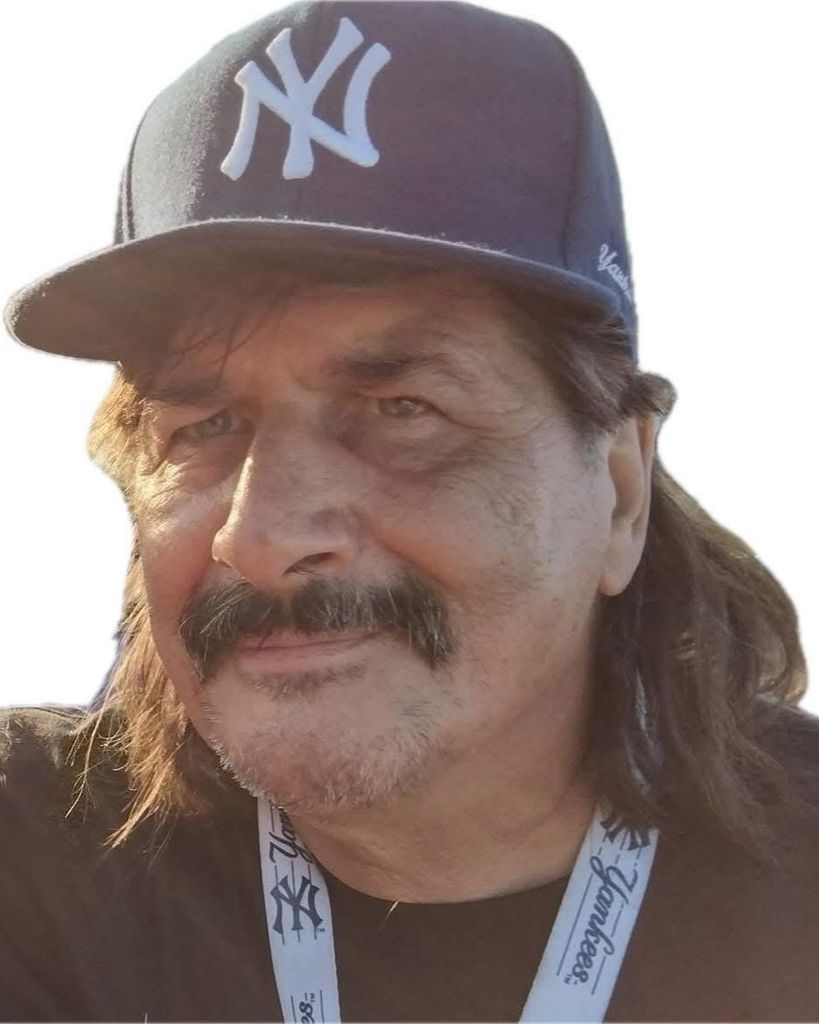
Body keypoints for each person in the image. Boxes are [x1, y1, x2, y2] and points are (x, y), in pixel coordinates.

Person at [1, 2, 816, 1021]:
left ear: (618, 489)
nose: (263, 537)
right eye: (204, 425)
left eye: (402, 411)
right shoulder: (28, 866)